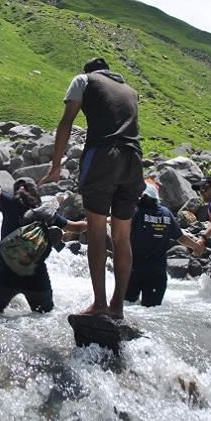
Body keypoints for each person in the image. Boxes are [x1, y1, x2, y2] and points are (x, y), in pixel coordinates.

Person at [40, 57, 143, 318]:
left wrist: (55, 165)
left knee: (96, 231)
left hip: (103, 157)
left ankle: (99, 304)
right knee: (122, 237)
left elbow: (66, 122)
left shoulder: (84, 80)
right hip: (134, 160)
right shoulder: (130, 91)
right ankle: (117, 307)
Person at [0, 168, 87, 313]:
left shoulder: (9, 203)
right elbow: (77, 227)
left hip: (3, 275)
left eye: (22, 187)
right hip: (36, 279)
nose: (21, 189)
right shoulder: (48, 214)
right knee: (44, 316)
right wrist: (103, 220)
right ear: (36, 194)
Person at [126, 185, 203, 306]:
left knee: (127, 307)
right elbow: (180, 237)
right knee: (152, 310)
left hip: (134, 270)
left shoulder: (136, 211)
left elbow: (122, 229)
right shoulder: (166, 213)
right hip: (158, 272)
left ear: (143, 196)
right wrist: (196, 246)